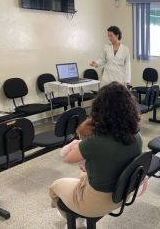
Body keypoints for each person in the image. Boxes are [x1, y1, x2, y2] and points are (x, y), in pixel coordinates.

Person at [49, 82, 142, 222]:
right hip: (122, 195)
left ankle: (71, 216)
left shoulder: (95, 141)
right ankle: (77, 214)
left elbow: (67, 158)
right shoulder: (137, 136)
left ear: (99, 109)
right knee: (82, 175)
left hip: (96, 203)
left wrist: (77, 142)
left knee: (54, 187)